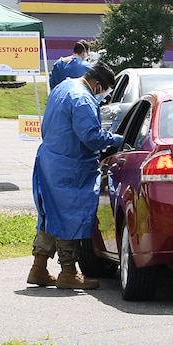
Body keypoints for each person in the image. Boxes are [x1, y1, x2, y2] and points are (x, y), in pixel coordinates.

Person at [29, 59, 120, 290]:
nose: (103, 97)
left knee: (51, 214)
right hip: (71, 166)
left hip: (51, 161)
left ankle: (38, 268)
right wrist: (113, 139)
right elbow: (90, 137)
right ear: (98, 85)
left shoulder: (63, 87)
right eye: (105, 92)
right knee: (71, 215)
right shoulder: (83, 99)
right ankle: (68, 272)